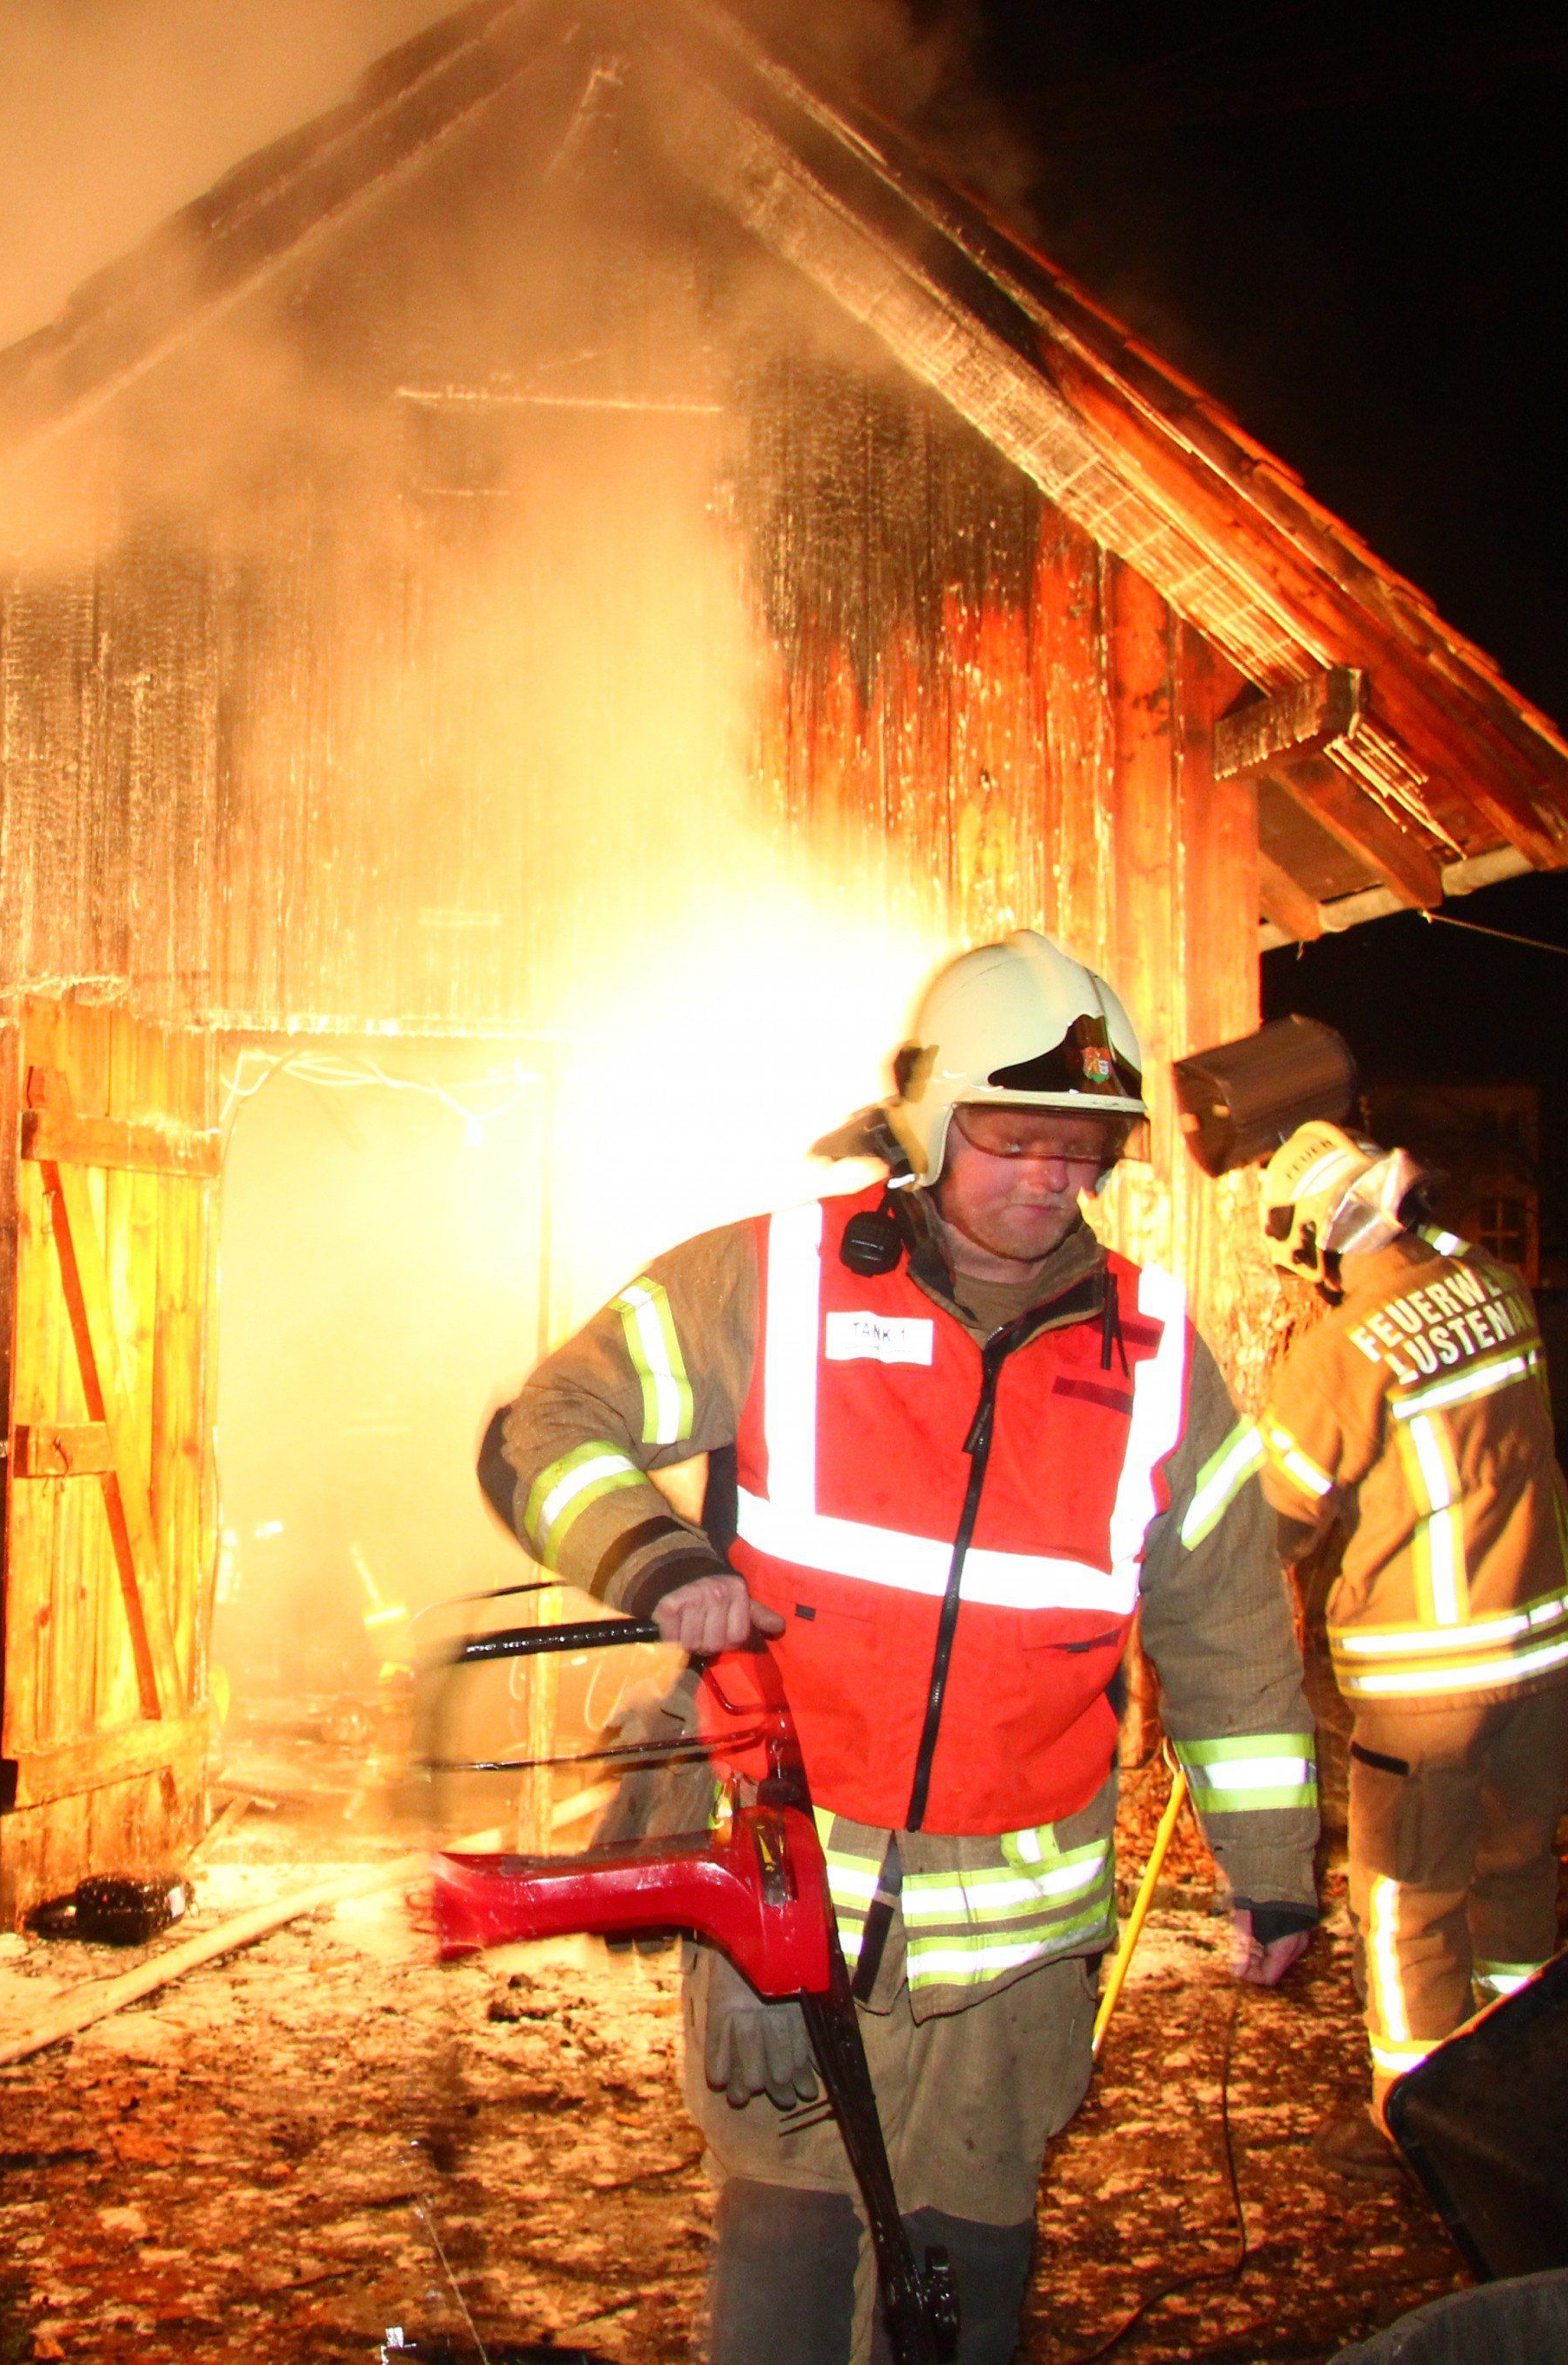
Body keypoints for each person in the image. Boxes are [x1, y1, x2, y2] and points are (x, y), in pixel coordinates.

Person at [480, 929, 1320, 2364]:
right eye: (1015, 1136)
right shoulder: (775, 1282)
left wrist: (1274, 1867)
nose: (1054, 1177)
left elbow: (1228, 1616)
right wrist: (659, 1559)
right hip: (789, 1903)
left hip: (1016, 1952)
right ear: (932, 1121)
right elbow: (542, 1430)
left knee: (966, 2271)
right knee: (788, 2266)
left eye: (1087, 1146)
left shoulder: (1157, 1353)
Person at [1224, 1120, 1568, 2181]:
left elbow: (1269, 1524)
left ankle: (1412, 2121)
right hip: (1543, 1654)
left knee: (1407, 1898)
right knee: (1512, 1882)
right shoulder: (1498, 1285)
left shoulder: (1345, 1349)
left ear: (1311, 1242)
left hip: (1429, 1686)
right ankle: (1522, 2100)